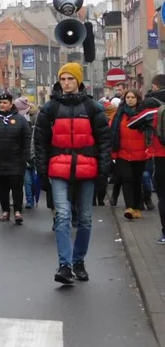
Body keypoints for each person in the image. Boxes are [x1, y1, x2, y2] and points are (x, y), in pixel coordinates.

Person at [35, 63, 112, 284]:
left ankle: (78, 261)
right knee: (63, 216)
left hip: (87, 167)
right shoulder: (49, 109)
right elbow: (39, 142)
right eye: (63, 79)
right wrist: (42, 171)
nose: (66, 83)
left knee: (85, 219)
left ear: (78, 81)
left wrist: (104, 171)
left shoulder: (92, 108)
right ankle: (65, 266)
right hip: (58, 166)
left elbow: (105, 141)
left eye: (70, 79)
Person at [0, 92, 31, 225]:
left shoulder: (20, 120)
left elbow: (27, 138)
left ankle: (17, 210)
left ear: (11, 104)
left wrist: (26, 156)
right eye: (0, 103)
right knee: (2, 187)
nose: (2, 105)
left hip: (16, 159)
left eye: (5, 103)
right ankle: (5, 210)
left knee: (16, 186)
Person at [129, 74, 165, 245]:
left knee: (163, 197)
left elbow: (132, 123)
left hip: (160, 156)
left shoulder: (153, 109)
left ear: (155, 87)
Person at [111, 89, 147, 220]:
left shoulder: (143, 114)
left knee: (137, 180)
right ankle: (129, 207)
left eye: (133, 97)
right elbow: (112, 133)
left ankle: (137, 207)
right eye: (128, 97)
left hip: (140, 153)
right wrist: (113, 153)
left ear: (137, 99)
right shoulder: (118, 114)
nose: (130, 100)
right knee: (127, 179)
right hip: (123, 153)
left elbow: (149, 132)